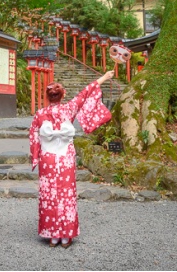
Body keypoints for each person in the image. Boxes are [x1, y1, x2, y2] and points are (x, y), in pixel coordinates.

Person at [29, 69, 114, 248]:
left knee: (49, 195)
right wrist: (105, 77)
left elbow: (34, 137)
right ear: (63, 95)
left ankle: (52, 236)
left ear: (47, 97)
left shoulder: (40, 114)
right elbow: (86, 92)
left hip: (48, 159)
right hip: (65, 159)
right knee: (66, 195)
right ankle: (66, 236)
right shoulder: (69, 108)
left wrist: (35, 157)